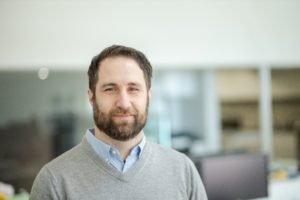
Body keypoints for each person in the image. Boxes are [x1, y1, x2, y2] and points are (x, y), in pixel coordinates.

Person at [30, 45, 207, 200]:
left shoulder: (183, 170)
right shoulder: (54, 180)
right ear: (91, 97)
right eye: (110, 89)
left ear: (148, 97)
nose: (123, 102)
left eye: (133, 89)